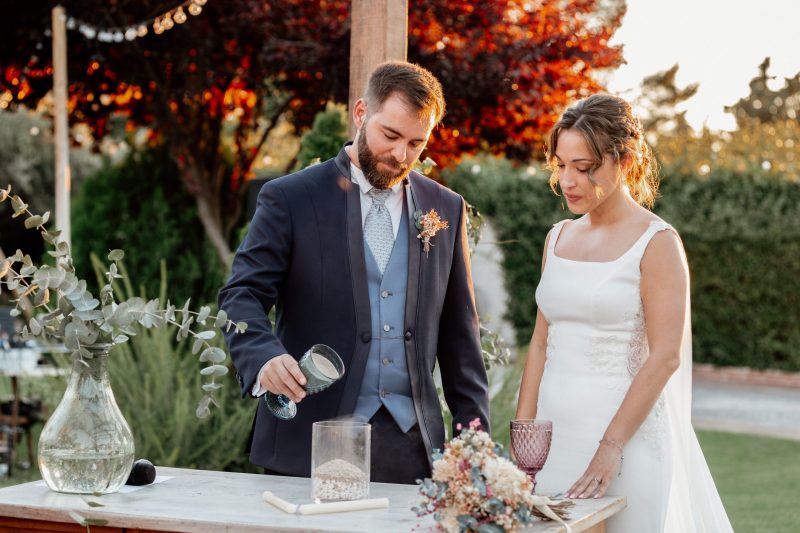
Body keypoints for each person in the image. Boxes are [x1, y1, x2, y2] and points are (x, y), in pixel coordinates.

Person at [219, 61, 490, 484]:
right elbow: (242, 295)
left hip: (411, 446)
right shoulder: (290, 198)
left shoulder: (445, 207)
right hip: (308, 438)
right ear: (361, 114)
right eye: (391, 135)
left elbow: (461, 341)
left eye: (416, 144)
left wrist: (474, 447)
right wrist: (263, 356)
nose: (401, 155)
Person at [515, 94, 733, 531]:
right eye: (561, 165)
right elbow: (541, 342)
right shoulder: (556, 237)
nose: (569, 181)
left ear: (625, 160)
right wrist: (523, 437)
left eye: (585, 167)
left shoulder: (657, 243)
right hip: (553, 442)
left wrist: (610, 447)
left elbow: (665, 355)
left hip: (624, 444)